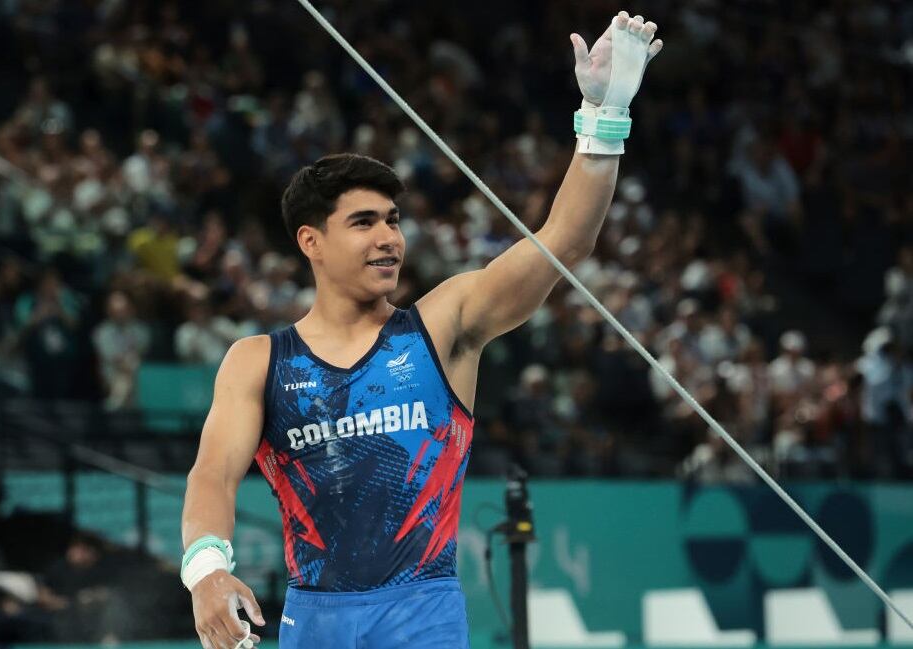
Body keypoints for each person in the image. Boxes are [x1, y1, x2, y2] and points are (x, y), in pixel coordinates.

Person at [181, 11, 662, 649]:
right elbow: (213, 474)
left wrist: (603, 119)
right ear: (311, 241)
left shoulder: (442, 325)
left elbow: (564, 243)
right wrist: (207, 570)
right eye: (363, 223)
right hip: (313, 619)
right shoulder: (258, 361)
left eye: (393, 220)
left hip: (421, 612)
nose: (388, 237)